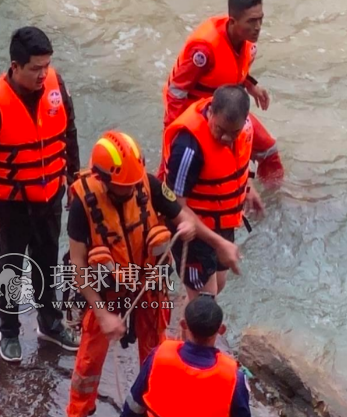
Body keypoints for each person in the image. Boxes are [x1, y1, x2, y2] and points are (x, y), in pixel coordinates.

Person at [0, 26, 81, 362]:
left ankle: (50, 323)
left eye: (46, 66)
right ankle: (10, 331)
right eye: (35, 68)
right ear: (15, 66)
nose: (42, 74)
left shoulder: (57, 86)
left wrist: (74, 181)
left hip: (50, 195)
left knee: (46, 261)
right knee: (12, 266)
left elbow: (69, 132)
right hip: (11, 202)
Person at [66, 131, 198, 417]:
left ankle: (152, 407)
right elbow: (77, 265)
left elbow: (182, 214)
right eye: (125, 185)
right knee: (88, 361)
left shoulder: (147, 184)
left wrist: (186, 225)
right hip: (107, 292)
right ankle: (79, 411)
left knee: (155, 354)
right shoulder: (82, 204)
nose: (132, 188)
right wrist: (102, 314)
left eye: (134, 182)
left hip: (148, 287)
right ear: (104, 179)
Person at [159, 0, 284, 187]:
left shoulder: (247, 42)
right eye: (251, 21)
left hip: (226, 105)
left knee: (269, 150)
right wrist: (176, 131)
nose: (257, 27)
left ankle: (275, 198)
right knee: (172, 167)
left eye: (260, 19)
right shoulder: (203, 51)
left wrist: (252, 86)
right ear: (233, 22)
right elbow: (175, 92)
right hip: (195, 113)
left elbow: (232, 69)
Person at [162, 85, 265, 300]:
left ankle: (187, 312)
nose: (226, 138)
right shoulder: (189, 147)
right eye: (220, 130)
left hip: (222, 223)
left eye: (233, 132)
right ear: (210, 113)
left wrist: (247, 188)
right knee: (205, 300)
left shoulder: (244, 127)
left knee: (218, 284)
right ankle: (192, 325)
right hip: (192, 230)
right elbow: (174, 204)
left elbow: (238, 163)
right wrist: (219, 243)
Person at [120, 295, 251, 417]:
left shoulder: (158, 357)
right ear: (221, 330)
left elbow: (133, 406)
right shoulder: (234, 378)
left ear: (183, 325)